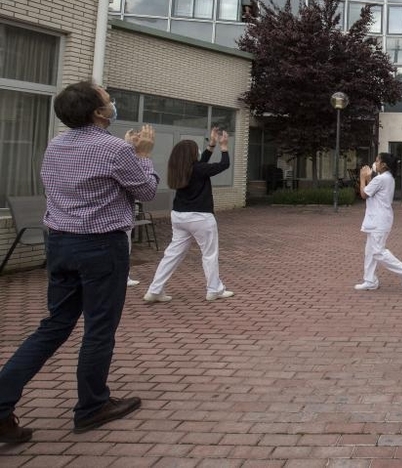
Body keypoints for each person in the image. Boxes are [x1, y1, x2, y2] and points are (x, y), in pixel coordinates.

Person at [0, 82, 157, 442]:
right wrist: (144, 155)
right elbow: (145, 192)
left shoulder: (55, 145)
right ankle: (92, 406)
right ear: (99, 113)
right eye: (108, 100)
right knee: (99, 328)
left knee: (55, 325)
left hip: (60, 244)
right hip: (101, 247)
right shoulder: (117, 149)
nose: (112, 103)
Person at [143, 128, 234, 304]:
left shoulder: (179, 169)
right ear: (192, 154)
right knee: (209, 254)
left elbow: (201, 165)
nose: (199, 153)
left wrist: (211, 145)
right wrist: (224, 147)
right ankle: (214, 289)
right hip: (201, 217)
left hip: (179, 216)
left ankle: (154, 290)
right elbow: (224, 165)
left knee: (172, 254)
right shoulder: (198, 170)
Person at [353, 153, 402, 291]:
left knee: (377, 251)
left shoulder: (381, 179)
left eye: (377, 161)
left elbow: (364, 194)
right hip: (378, 219)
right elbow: (371, 191)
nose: (374, 163)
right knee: (370, 251)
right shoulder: (386, 178)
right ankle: (370, 280)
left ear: (384, 165)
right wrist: (368, 179)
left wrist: (362, 178)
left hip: (379, 220)